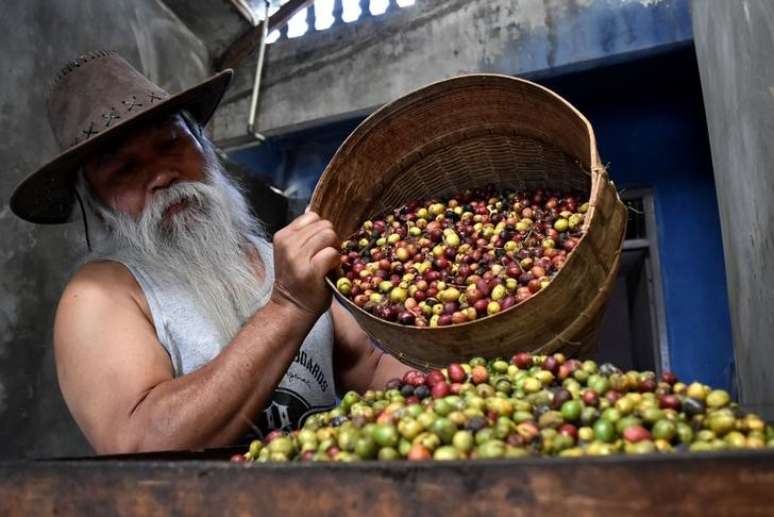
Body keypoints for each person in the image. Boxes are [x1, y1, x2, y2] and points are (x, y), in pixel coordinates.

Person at [10, 50, 410, 454]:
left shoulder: (279, 260)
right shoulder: (99, 297)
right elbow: (141, 441)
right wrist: (288, 306)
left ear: (204, 147)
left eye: (171, 144)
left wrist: (465, 374)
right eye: (125, 170)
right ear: (95, 202)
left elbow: (368, 367)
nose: (163, 175)